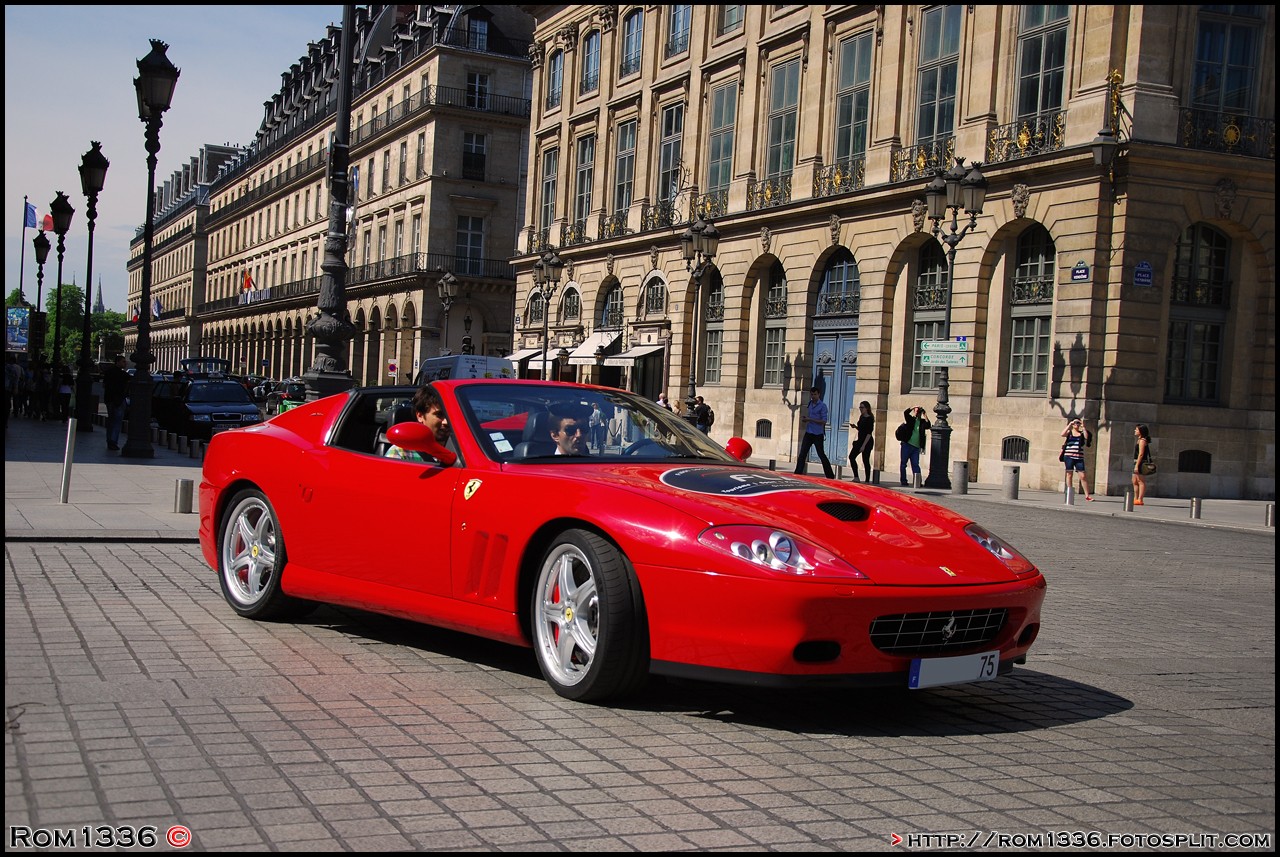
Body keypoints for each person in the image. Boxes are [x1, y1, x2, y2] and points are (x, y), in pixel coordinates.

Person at [385, 385, 452, 462]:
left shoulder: (463, 451)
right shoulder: (401, 453)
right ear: (420, 416)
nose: (446, 421)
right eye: (439, 415)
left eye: (450, 414)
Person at [795, 386, 835, 479]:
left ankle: (830, 475)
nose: (813, 396)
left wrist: (810, 419)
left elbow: (824, 421)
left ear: (819, 394)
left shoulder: (822, 406)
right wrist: (806, 419)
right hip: (809, 432)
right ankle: (797, 473)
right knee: (802, 454)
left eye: (815, 394)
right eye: (812, 394)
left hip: (818, 434)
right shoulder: (810, 404)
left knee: (821, 454)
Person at [1060, 417, 1094, 500]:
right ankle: (1069, 492)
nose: (1076, 424)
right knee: (1069, 475)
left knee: (1083, 476)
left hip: (1079, 457)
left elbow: (1086, 437)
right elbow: (1062, 434)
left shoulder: (1082, 433)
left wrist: (1083, 427)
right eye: (1075, 423)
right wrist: (1069, 425)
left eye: (1078, 423)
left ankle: (1087, 495)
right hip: (1068, 456)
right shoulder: (1069, 432)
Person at [898, 406, 931, 486]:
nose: (917, 413)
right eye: (916, 411)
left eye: (918, 412)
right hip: (906, 444)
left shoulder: (922, 422)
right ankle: (903, 481)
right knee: (903, 464)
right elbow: (905, 413)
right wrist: (913, 407)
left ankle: (917, 482)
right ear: (913, 412)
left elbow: (928, 425)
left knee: (915, 465)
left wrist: (925, 414)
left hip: (916, 447)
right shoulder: (911, 420)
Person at [103, 355, 130, 451]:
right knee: (117, 422)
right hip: (118, 400)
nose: (125, 363)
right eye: (123, 361)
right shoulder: (122, 374)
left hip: (109, 399)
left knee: (110, 421)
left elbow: (105, 385)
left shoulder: (108, 372)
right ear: (117, 362)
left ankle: (109, 440)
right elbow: (129, 382)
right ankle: (113, 441)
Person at [849, 401, 875, 482]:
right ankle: (856, 477)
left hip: (867, 442)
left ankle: (867, 479)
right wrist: (855, 427)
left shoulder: (870, 419)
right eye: (860, 407)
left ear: (867, 408)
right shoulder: (861, 417)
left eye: (862, 407)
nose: (860, 409)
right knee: (851, 457)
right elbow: (862, 430)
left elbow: (869, 433)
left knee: (865, 460)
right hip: (860, 440)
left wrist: (863, 446)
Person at [1132, 423, 1152, 505]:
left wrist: (1137, 465)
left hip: (1140, 462)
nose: (1135, 430)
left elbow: (1141, 454)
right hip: (1136, 461)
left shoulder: (1142, 441)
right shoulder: (1139, 440)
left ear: (1141, 431)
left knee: (1140, 481)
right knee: (1134, 481)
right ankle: (1135, 498)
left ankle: (1140, 499)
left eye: (1136, 429)